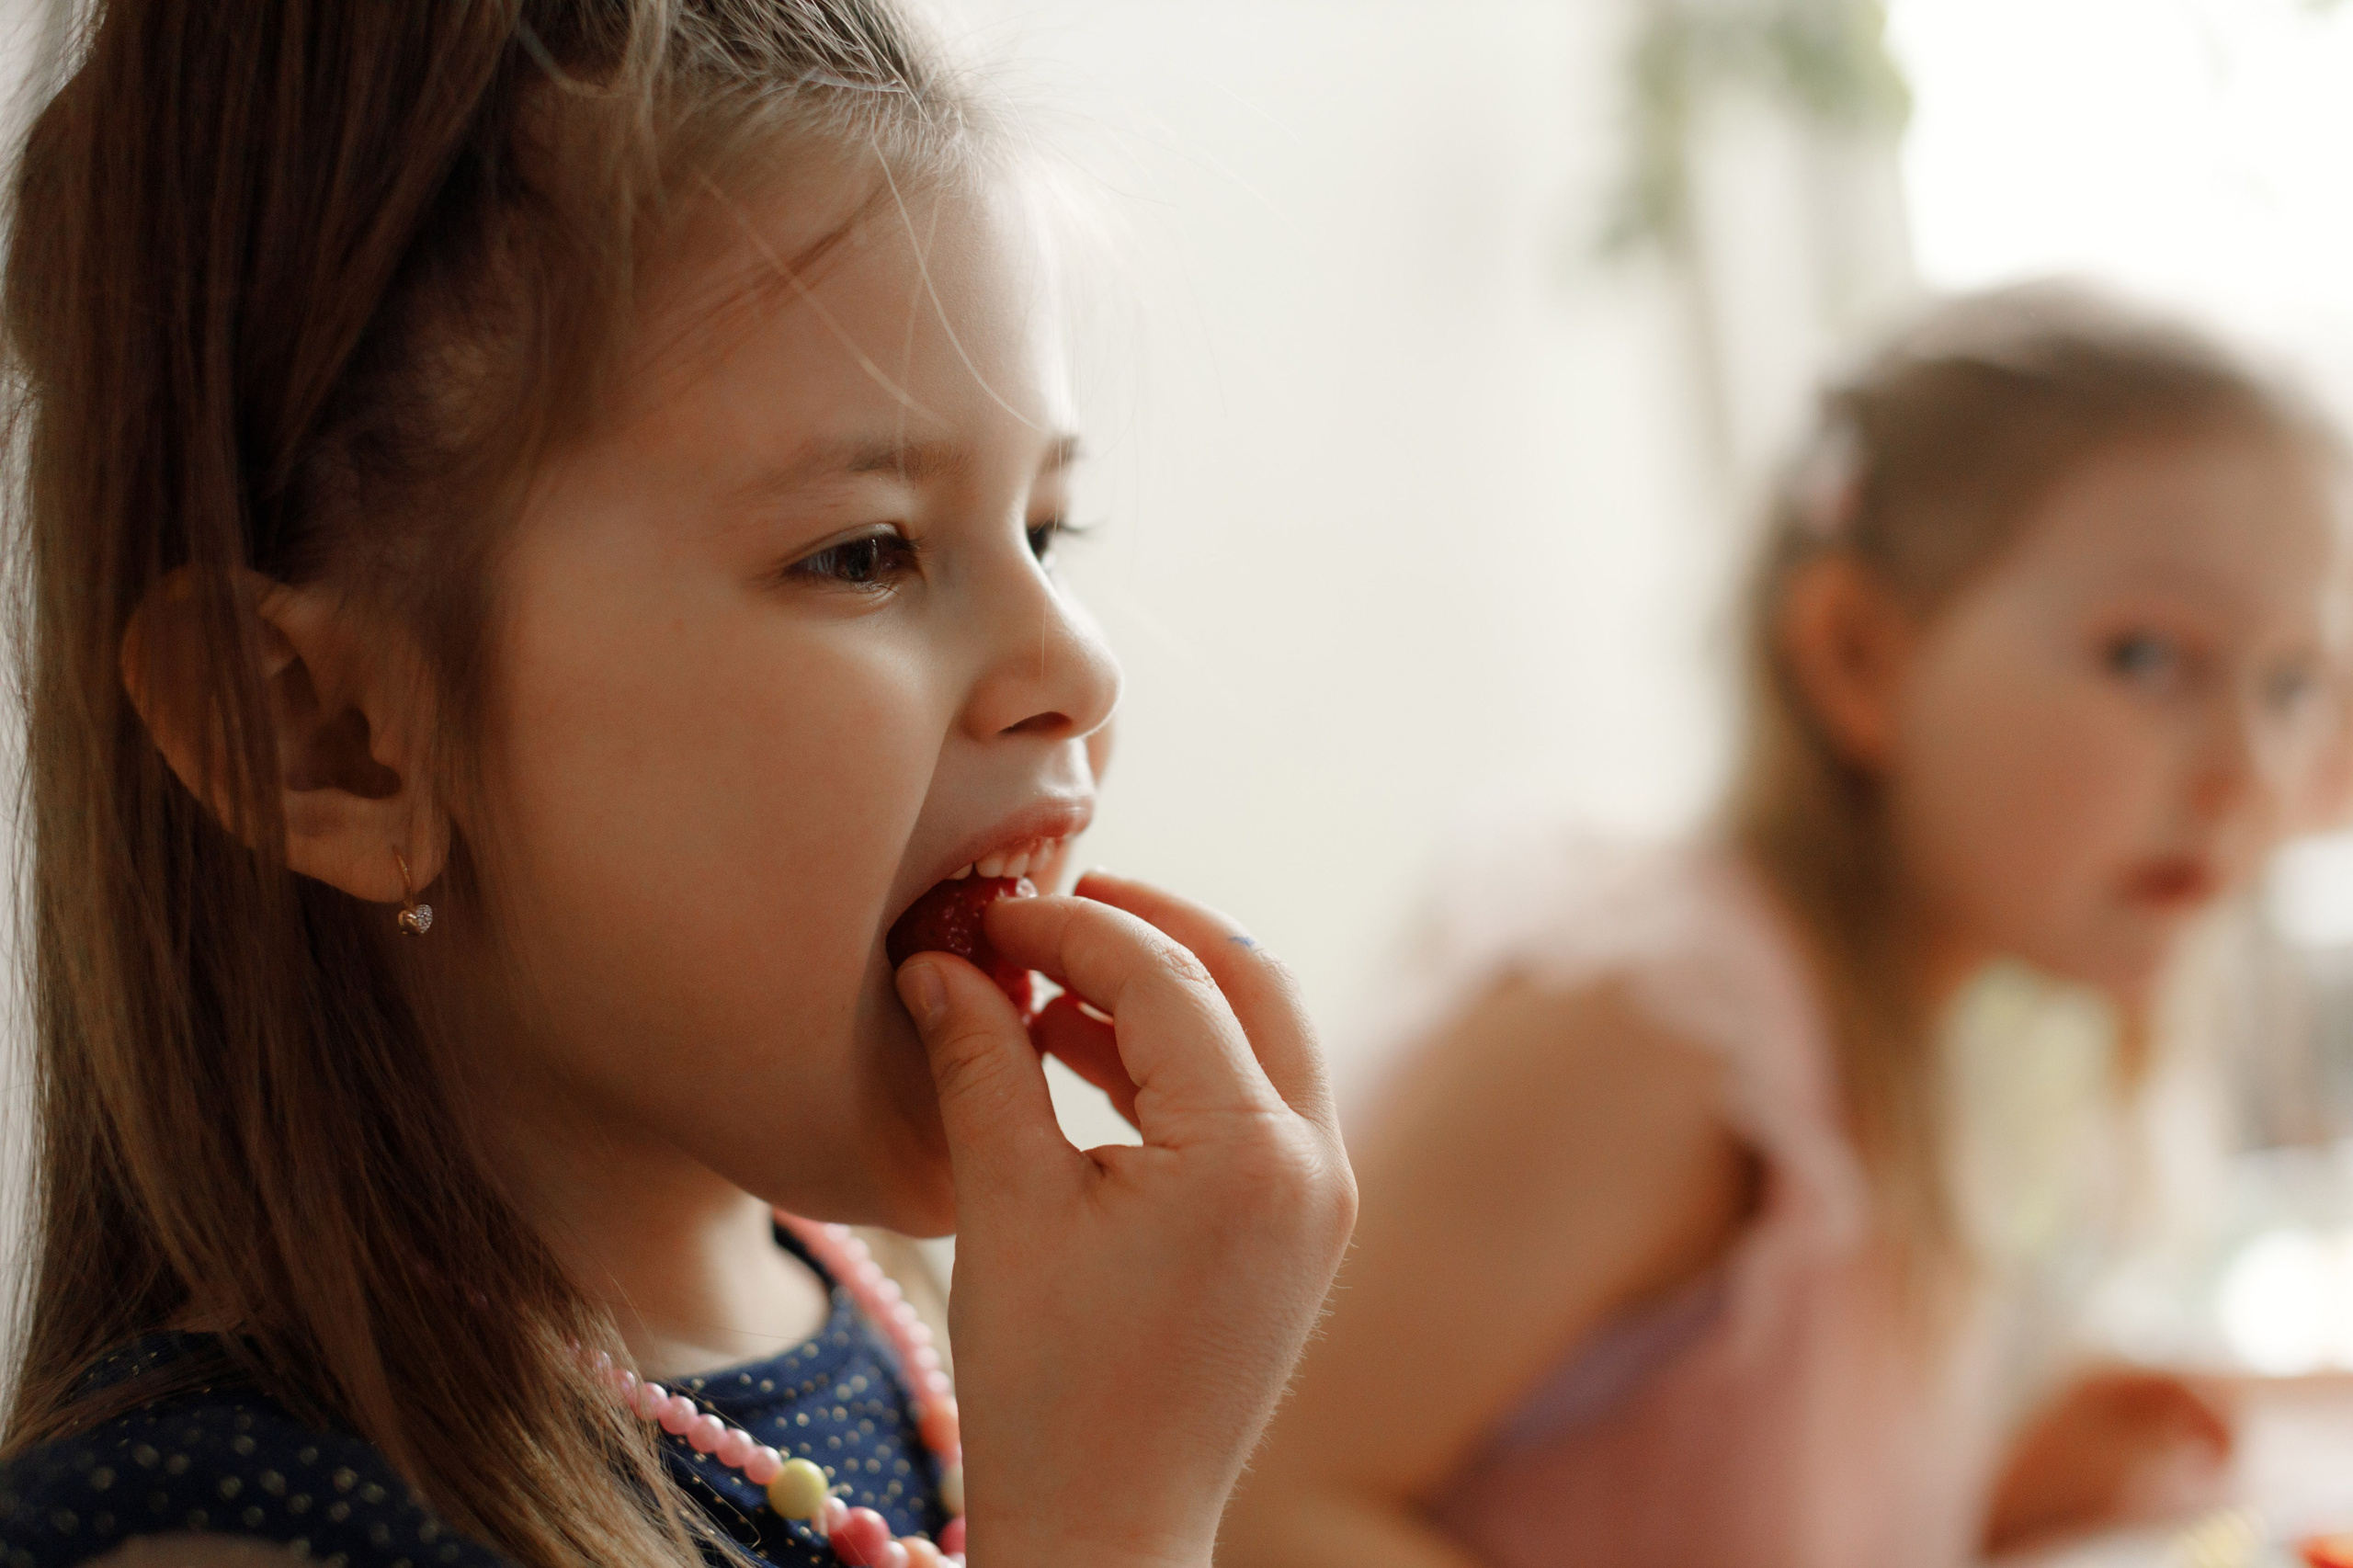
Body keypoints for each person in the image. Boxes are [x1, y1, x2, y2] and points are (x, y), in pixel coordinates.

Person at [0, 6, 1355, 1567]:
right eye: (865, 550)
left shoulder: (898, 1321)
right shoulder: (219, 1530)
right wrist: (1116, 1522)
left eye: (1045, 532)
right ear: (332, 739)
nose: (1080, 667)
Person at [1222, 284, 2348, 1568]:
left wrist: (1989, 1504)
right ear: (1858, 655)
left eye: (2292, 681)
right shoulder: (1655, 1033)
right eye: (2149, 657)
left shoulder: (1889, 1031)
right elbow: (1252, 1507)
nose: (2251, 770)